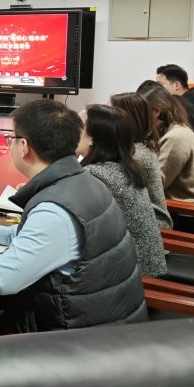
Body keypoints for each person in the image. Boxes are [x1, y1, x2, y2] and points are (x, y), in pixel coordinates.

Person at [0, 99, 146, 332]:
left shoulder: (54, 212)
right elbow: (47, 241)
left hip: (77, 339)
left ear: (23, 146)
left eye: (10, 139)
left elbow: (3, 279)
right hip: (106, 323)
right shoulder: (85, 181)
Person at [77, 105, 167, 277]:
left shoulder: (95, 174)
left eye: (78, 126)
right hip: (146, 266)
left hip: (132, 276)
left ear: (92, 138)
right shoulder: (125, 167)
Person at [140, 85, 194, 233]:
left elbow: (157, 184)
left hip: (184, 216)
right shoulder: (176, 128)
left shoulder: (176, 137)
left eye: (142, 114)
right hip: (181, 209)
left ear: (155, 111)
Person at [109, 92, 172, 229]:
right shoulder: (137, 146)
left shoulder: (137, 155)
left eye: (112, 114)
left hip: (152, 223)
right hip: (141, 217)